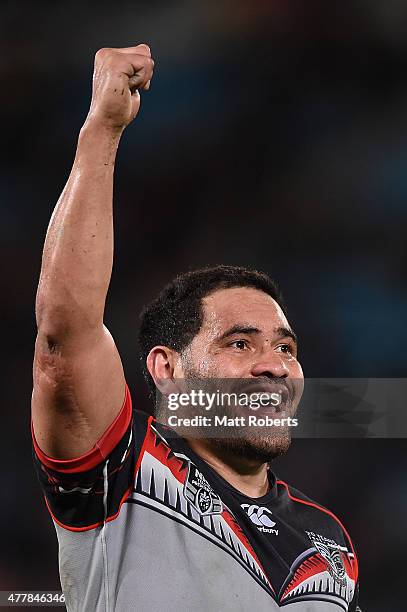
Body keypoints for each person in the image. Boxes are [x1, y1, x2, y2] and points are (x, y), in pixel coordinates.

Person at [32, 44, 361, 611]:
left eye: (287, 347)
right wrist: (103, 131)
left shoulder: (331, 544)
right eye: (240, 342)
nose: (274, 365)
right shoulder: (124, 470)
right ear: (167, 368)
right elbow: (66, 333)